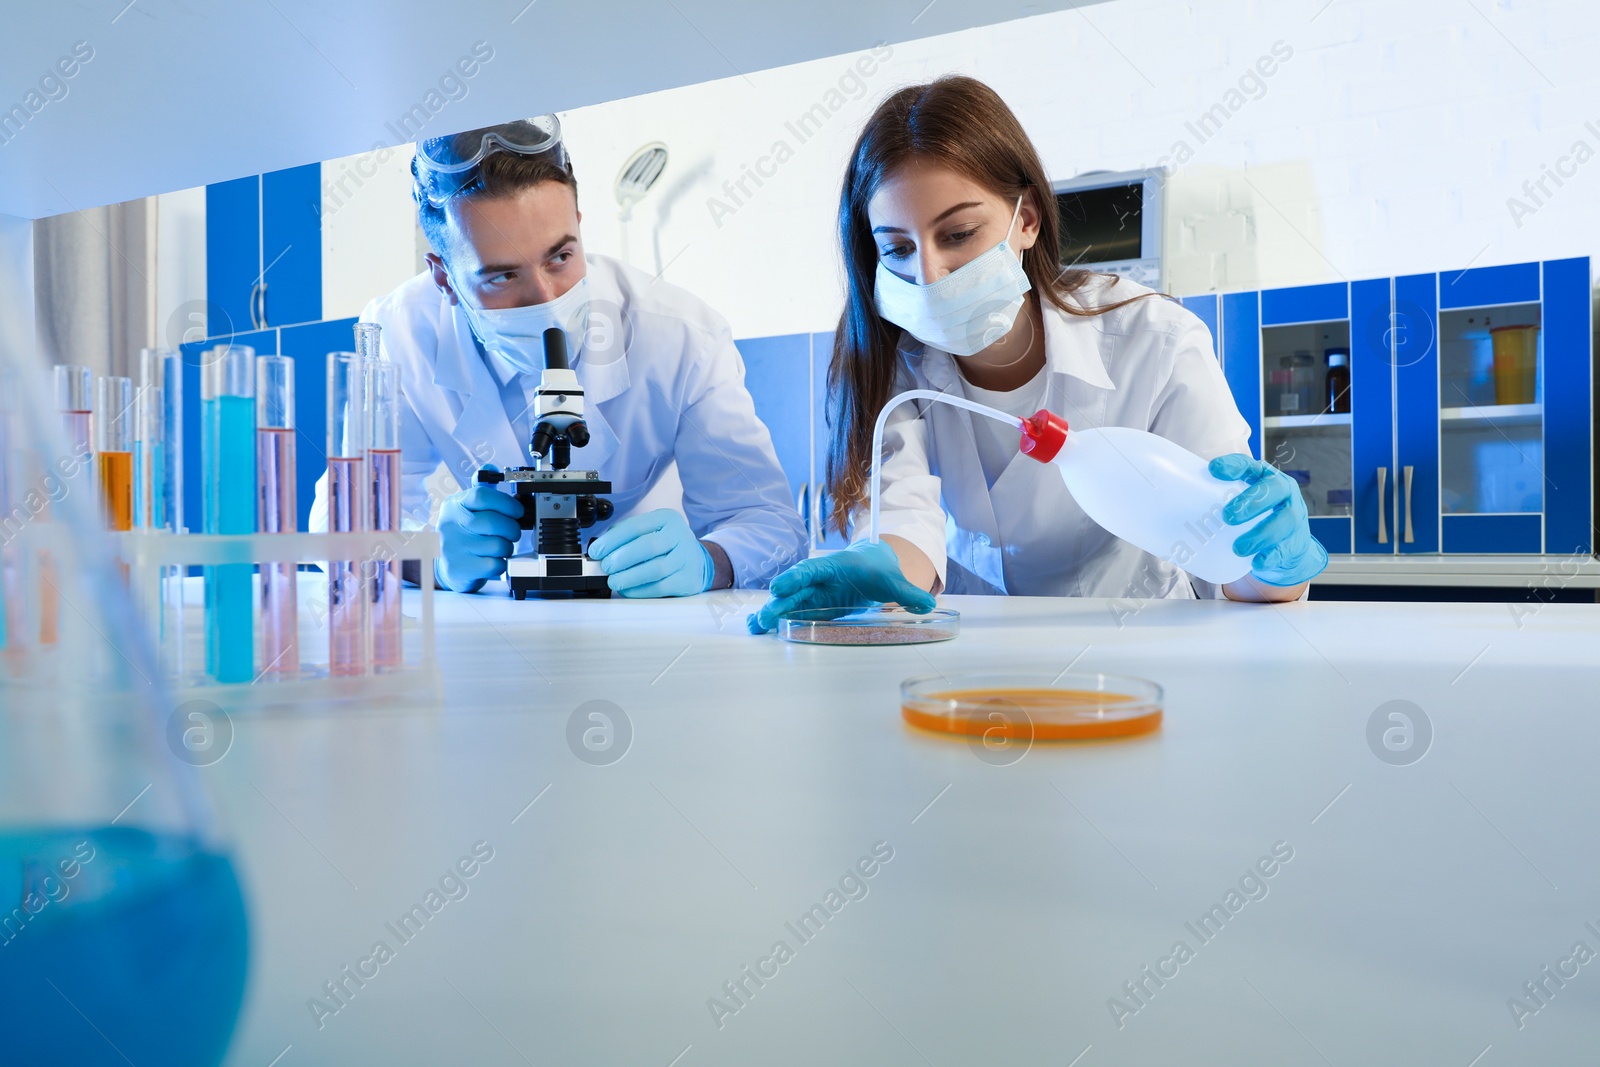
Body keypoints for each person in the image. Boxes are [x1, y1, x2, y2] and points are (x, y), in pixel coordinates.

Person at [749, 76, 1325, 631]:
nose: (928, 275)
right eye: (897, 248)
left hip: (1142, 665)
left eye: (957, 234)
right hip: (972, 680)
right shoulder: (892, 365)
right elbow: (905, 530)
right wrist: (878, 572)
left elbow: (1228, 557)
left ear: (1026, 219)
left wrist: (1275, 562)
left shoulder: (1156, 341)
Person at [310, 115, 806, 596]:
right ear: (444, 278)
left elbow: (771, 527)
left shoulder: (681, 337)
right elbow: (338, 524)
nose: (546, 299)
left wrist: (709, 562)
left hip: (640, 620)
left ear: (580, 227)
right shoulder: (401, 334)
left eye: (560, 257)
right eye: (503, 276)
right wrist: (427, 557)